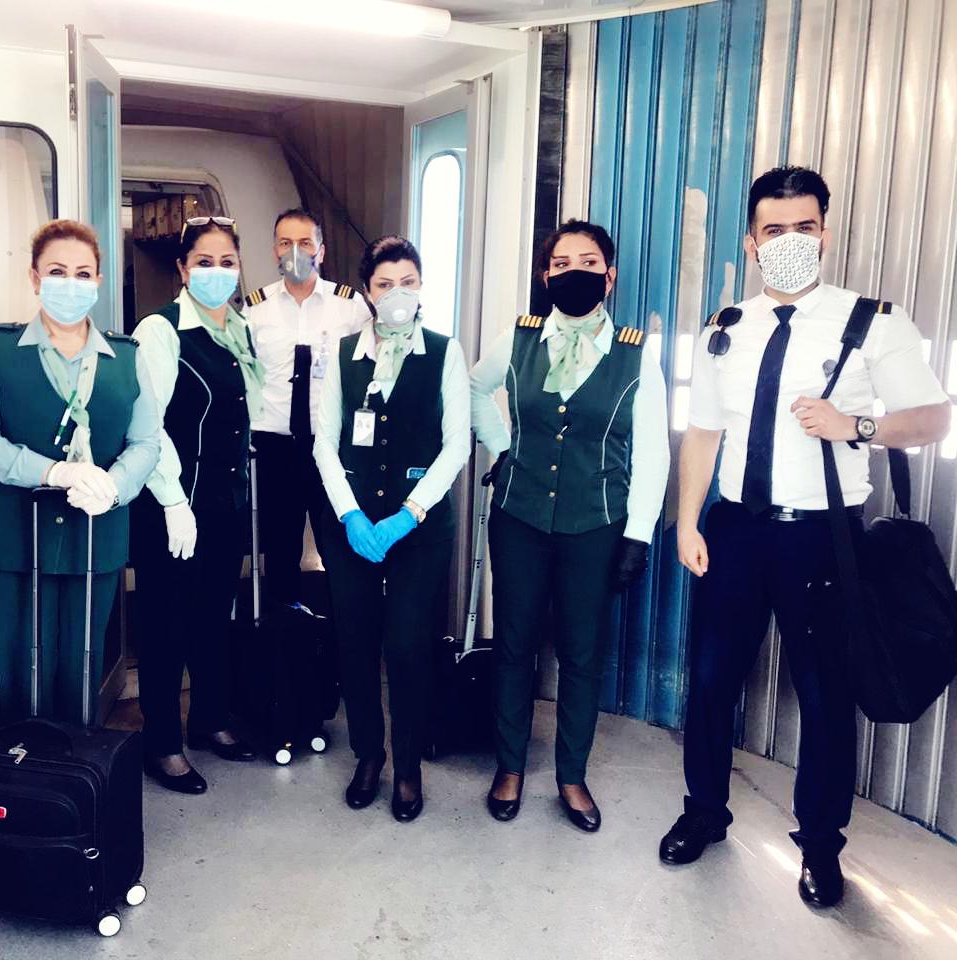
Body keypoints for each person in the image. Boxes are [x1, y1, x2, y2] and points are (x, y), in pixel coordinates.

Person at [659, 166, 950, 907]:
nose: (789, 241)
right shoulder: (727, 327)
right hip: (733, 530)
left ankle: (821, 847)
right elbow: (704, 431)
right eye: (774, 230)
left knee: (824, 697)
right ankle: (704, 812)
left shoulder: (872, 322)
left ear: (824, 233)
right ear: (751, 243)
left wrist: (856, 424)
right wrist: (688, 520)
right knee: (711, 682)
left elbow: (932, 418)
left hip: (821, 537)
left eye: (804, 227)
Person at [470, 220, 670, 830]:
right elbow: (473, 389)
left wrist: (638, 533)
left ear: (609, 277)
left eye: (588, 262)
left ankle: (572, 776)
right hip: (519, 516)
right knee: (515, 645)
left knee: (582, 653)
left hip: (596, 523)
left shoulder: (637, 353)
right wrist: (503, 446)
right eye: (561, 263)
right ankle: (509, 766)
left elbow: (654, 450)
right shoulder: (518, 338)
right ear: (545, 276)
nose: (573, 272)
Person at [0, 219, 161, 723]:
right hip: (11, 538)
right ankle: (26, 760)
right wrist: (55, 473)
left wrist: (114, 485)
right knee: (20, 670)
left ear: (98, 282)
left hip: (94, 535)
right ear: (34, 278)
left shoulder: (127, 357)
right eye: (56, 271)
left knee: (82, 667)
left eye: (82, 273)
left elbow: (146, 442)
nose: (70, 283)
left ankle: (73, 764)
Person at [313, 235, 471, 822]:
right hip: (352, 525)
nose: (397, 293)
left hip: (419, 526)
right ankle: (368, 755)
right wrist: (350, 514)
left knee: (407, 645)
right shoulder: (343, 353)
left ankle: (407, 766)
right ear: (368, 292)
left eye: (407, 282)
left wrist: (411, 511)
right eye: (384, 284)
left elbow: (456, 445)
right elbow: (324, 442)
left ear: (421, 287)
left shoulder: (445, 352)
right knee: (355, 642)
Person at [130, 216, 261, 794]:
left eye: (226, 262)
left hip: (224, 502)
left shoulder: (239, 329)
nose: (216, 272)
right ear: (182, 270)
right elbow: (148, 425)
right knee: (166, 625)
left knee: (213, 617)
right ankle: (161, 744)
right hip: (173, 507)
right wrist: (173, 501)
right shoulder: (160, 331)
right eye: (204, 262)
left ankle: (209, 718)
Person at [244, 208, 370, 607]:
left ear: (322, 250)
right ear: (274, 250)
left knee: (339, 542)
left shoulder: (349, 306)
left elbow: (369, 375)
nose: (295, 251)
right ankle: (283, 627)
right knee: (279, 545)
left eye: (304, 242)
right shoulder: (255, 308)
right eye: (285, 242)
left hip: (331, 444)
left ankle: (341, 630)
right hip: (274, 445)